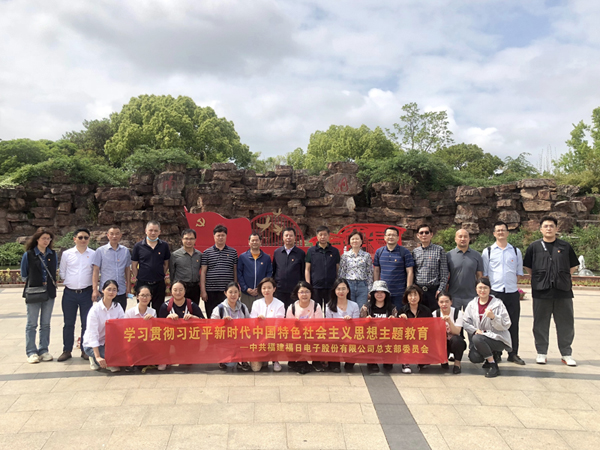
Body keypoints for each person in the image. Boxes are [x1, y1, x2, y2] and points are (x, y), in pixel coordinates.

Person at [523, 216, 579, 366]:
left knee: (566, 324)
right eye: (546, 226)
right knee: (540, 323)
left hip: (563, 291)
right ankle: (541, 352)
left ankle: (566, 353)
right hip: (541, 291)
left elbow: (573, 265)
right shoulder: (534, 247)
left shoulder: (565, 246)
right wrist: (541, 277)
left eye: (551, 226)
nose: (549, 228)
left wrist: (562, 276)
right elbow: (528, 266)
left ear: (556, 229)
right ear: (541, 229)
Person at [482, 221, 525, 365]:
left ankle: (513, 353)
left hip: (512, 293)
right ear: (494, 233)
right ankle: (496, 353)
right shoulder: (488, 251)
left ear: (507, 233)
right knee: (494, 324)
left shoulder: (515, 251)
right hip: (495, 293)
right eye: (498, 230)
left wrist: (511, 285)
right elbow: (485, 274)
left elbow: (519, 273)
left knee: (513, 323)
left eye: (503, 230)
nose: (501, 232)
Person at [58, 227, 95, 362]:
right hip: (70, 293)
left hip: (86, 293)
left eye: (86, 237)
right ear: (74, 239)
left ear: (89, 239)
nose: (83, 240)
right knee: (68, 323)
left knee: (86, 322)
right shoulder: (67, 254)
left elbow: (95, 272)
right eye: (80, 237)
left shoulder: (93, 254)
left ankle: (85, 350)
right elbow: (62, 271)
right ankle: (67, 350)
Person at [20, 229, 58, 364]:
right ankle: (31, 352)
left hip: (49, 292)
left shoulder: (52, 254)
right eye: (44, 238)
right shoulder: (29, 254)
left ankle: (43, 350)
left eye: (48, 238)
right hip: (34, 292)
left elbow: (54, 270)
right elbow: (24, 275)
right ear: (37, 239)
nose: (46, 241)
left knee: (45, 323)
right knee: (32, 324)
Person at [462, 278, 512, 378]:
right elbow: (465, 322)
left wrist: (494, 317)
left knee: (477, 338)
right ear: (476, 289)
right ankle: (492, 355)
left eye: (485, 288)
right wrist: (475, 330)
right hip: (481, 337)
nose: (482, 290)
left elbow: (507, 324)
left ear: (490, 289)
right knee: (474, 357)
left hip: (497, 338)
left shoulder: (498, 304)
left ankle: (493, 365)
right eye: (480, 288)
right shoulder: (472, 304)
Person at [158, 280, 205, 371]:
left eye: (181, 290)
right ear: (171, 291)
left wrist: (194, 317)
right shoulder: (165, 306)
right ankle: (164, 359)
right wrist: (167, 318)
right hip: (172, 337)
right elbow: (159, 326)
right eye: (175, 290)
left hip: (188, 337)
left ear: (185, 291)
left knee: (187, 361)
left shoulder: (191, 305)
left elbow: (203, 322)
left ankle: (187, 355)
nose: (178, 292)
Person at [82, 280, 125, 372]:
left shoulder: (118, 307)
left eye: (114, 290)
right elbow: (92, 334)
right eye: (109, 289)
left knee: (125, 358)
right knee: (114, 362)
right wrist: (98, 356)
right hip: (93, 345)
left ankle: (107, 361)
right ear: (102, 290)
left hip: (110, 344)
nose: (111, 292)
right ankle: (94, 358)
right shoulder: (95, 310)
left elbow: (123, 326)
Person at [210, 282, 251, 372]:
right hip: (225, 340)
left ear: (239, 293)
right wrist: (222, 323)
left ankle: (243, 360)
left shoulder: (243, 307)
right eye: (230, 292)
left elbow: (250, 323)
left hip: (241, 339)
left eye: (236, 292)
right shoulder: (219, 309)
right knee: (230, 364)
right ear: (225, 293)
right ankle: (222, 359)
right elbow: (211, 327)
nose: (233, 295)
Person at [131, 221, 171, 312]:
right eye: (151, 230)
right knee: (142, 309)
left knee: (159, 310)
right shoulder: (138, 246)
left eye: (156, 231)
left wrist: (160, 274)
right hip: (143, 283)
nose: (153, 233)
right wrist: (138, 277)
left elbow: (166, 264)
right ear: (146, 231)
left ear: (159, 232)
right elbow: (134, 265)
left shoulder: (164, 246)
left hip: (159, 283)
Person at [286, 281, 324, 374]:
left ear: (311, 293)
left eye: (307, 292)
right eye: (301, 292)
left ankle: (316, 361)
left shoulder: (316, 306)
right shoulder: (292, 307)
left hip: (312, 334)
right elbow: (288, 327)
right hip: (297, 335)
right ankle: (295, 359)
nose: (304, 295)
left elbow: (320, 325)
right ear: (297, 293)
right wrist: (295, 325)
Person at [201, 224, 238, 320]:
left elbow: (235, 271)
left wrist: (236, 288)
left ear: (226, 236)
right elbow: (203, 272)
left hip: (227, 291)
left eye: (223, 235)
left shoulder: (233, 252)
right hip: (211, 290)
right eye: (218, 235)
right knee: (212, 316)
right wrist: (203, 291)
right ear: (214, 236)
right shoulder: (207, 253)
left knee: (227, 316)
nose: (220, 237)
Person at [359, 280, 398, 373]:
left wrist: (394, 320)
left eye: (382, 292)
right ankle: (371, 361)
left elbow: (397, 325)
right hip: (371, 336)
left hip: (386, 336)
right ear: (373, 294)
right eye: (377, 292)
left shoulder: (392, 308)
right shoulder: (366, 307)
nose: (379, 295)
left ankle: (387, 359)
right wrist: (366, 320)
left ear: (386, 294)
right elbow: (360, 324)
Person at [249, 277, 285, 372]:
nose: (266, 290)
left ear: (274, 289)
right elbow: (251, 321)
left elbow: (279, 324)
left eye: (269, 288)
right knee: (256, 369)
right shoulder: (256, 303)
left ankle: (275, 360)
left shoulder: (280, 304)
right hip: (258, 336)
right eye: (264, 288)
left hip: (273, 335)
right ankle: (263, 359)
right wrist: (257, 320)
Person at [92, 226, 131, 313]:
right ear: (108, 235)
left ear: (120, 235)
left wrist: (128, 287)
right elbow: (95, 270)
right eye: (112, 234)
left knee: (120, 316)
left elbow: (127, 270)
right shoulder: (100, 251)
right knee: (104, 316)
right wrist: (95, 290)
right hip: (105, 291)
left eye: (117, 234)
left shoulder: (125, 251)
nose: (114, 236)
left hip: (121, 290)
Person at [373, 227, 414, 310]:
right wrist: (376, 288)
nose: (391, 237)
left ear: (398, 238)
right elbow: (376, 271)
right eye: (388, 235)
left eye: (393, 235)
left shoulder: (404, 252)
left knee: (399, 315)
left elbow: (410, 272)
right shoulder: (379, 252)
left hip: (399, 292)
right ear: (384, 237)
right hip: (383, 292)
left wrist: (408, 290)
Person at [325, 278, 360, 373]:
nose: (341, 292)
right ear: (334, 291)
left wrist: (350, 322)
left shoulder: (354, 305)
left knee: (350, 364)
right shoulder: (329, 306)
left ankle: (349, 362)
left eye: (344, 289)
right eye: (338, 289)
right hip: (335, 335)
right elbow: (328, 325)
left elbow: (357, 325)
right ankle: (334, 363)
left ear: (348, 290)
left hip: (349, 335)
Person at [412, 224, 448, 312]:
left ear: (431, 234)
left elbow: (444, 273)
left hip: (434, 291)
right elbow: (413, 272)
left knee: (434, 316)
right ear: (417, 235)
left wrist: (440, 290)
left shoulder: (439, 250)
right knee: (419, 316)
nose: (424, 235)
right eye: (421, 233)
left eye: (426, 232)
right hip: (419, 291)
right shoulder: (415, 252)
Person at [398, 285, 433, 374]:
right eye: (410, 295)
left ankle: (422, 361)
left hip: (422, 336)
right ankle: (405, 363)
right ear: (406, 297)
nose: (413, 298)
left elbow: (431, 327)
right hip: (407, 337)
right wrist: (401, 319)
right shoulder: (402, 310)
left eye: (415, 295)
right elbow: (397, 329)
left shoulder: (426, 310)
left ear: (420, 296)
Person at [446, 229, 483, 311]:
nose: (463, 239)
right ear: (455, 239)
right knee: (454, 318)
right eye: (460, 236)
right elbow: (445, 276)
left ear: (469, 239)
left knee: (471, 319)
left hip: (472, 296)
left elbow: (479, 276)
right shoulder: (449, 255)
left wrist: (480, 292)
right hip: (453, 296)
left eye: (465, 237)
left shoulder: (477, 255)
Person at [305, 226, 340, 309]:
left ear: (328, 236)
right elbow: (307, 269)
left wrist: (337, 283)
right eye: (320, 235)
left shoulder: (334, 251)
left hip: (331, 286)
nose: (323, 237)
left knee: (330, 310)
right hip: (316, 287)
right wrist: (308, 284)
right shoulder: (311, 251)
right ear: (317, 236)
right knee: (316, 309)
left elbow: (338, 268)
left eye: (325, 234)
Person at [238, 232, 273, 311]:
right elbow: (239, 274)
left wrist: (261, 288)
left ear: (260, 242)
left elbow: (269, 274)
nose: (254, 242)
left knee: (261, 314)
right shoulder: (243, 257)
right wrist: (245, 288)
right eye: (252, 240)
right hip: (246, 293)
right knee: (246, 314)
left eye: (256, 240)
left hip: (261, 293)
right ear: (249, 242)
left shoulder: (266, 258)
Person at [432, 292, 466, 374]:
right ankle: (444, 360)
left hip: (454, 341)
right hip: (442, 342)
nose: (444, 304)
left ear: (451, 302)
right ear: (438, 303)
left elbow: (457, 332)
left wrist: (449, 322)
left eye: (447, 301)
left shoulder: (458, 313)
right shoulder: (435, 314)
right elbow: (435, 334)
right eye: (441, 302)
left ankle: (457, 363)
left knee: (457, 340)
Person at [338, 230, 373, 309]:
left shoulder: (366, 255)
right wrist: (341, 287)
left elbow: (370, 272)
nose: (355, 241)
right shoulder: (345, 256)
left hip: (362, 285)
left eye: (357, 239)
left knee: (362, 309)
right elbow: (342, 272)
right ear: (349, 241)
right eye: (353, 239)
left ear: (361, 241)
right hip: (349, 284)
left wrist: (370, 289)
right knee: (349, 308)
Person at [272, 227, 305, 310]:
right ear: (283, 237)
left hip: (295, 290)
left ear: (295, 237)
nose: (288, 237)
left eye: (291, 235)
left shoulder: (300, 253)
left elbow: (303, 271)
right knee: (280, 312)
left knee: (294, 312)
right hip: (279, 290)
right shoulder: (277, 252)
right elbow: (274, 270)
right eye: (286, 235)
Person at [169, 228, 202, 304]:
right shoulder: (175, 255)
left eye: (191, 239)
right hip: (181, 288)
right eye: (186, 239)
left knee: (194, 309)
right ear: (182, 239)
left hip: (195, 287)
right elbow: (172, 272)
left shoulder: (199, 255)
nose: (189, 241)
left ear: (195, 240)